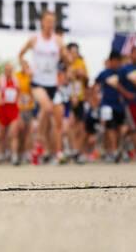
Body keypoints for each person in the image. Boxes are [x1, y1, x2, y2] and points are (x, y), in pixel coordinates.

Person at [18, 10, 70, 163]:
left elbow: (67, 61)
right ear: (42, 22)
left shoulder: (58, 41)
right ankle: (39, 142)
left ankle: (58, 152)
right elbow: (20, 54)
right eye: (47, 21)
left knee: (58, 121)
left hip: (53, 84)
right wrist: (26, 67)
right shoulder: (34, 40)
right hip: (37, 82)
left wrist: (66, 56)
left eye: (52, 21)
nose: (50, 24)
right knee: (46, 108)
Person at [94, 51, 135, 162]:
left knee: (120, 129)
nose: (117, 63)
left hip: (120, 106)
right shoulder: (104, 73)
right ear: (111, 61)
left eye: (119, 61)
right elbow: (95, 86)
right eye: (116, 61)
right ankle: (113, 150)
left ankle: (117, 149)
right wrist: (95, 99)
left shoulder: (123, 73)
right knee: (110, 128)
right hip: (106, 105)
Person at [0, 62, 21, 165]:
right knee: (1, 134)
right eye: (7, 69)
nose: (8, 71)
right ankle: (0, 154)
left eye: (10, 69)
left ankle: (14, 156)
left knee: (13, 133)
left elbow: (19, 93)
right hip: (2, 109)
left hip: (13, 109)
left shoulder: (16, 80)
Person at [66, 43, 89, 162]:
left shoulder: (81, 63)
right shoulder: (66, 64)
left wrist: (81, 74)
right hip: (68, 98)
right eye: (72, 51)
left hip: (79, 98)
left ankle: (78, 150)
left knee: (80, 126)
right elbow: (65, 79)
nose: (74, 54)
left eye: (76, 51)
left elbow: (86, 79)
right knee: (70, 125)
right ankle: (72, 148)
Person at [15, 60, 35, 163]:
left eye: (27, 66)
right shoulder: (17, 76)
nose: (25, 68)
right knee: (20, 131)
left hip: (30, 107)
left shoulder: (32, 77)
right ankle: (19, 152)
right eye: (23, 66)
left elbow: (34, 91)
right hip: (19, 108)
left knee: (29, 131)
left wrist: (31, 78)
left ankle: (26, 153)